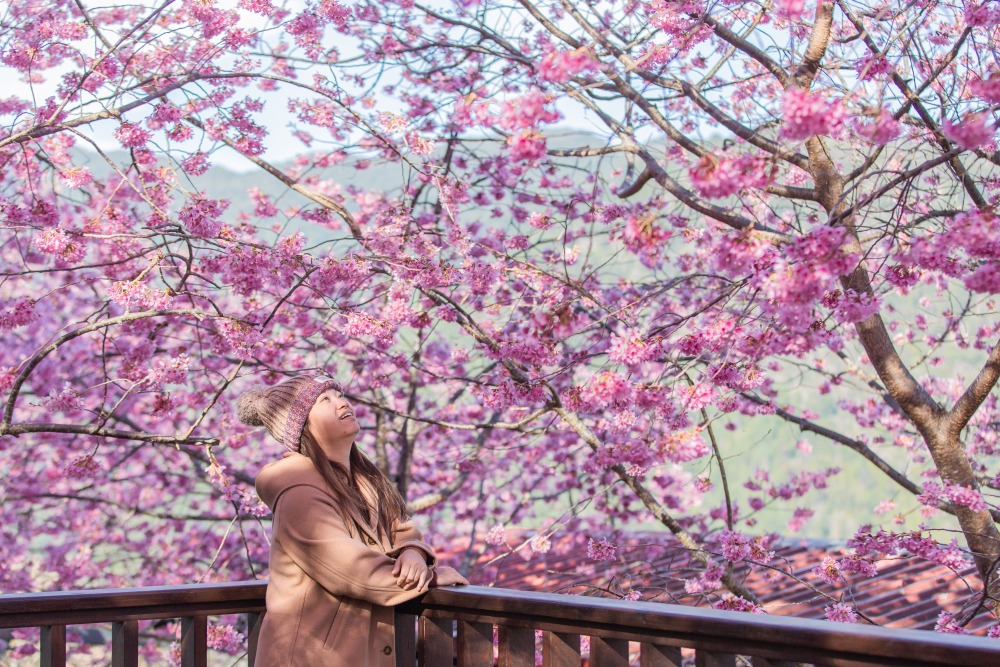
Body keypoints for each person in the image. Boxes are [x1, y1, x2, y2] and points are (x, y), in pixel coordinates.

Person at [237, 374, 469, 666]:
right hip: (309, 657)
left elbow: (401, 529)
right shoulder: (298, 490)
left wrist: (413, 553)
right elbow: (348, 568)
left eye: (339, 394)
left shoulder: (365, 480)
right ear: (301, 425)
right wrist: (429, 578)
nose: (341, 403)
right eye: (325, 400)